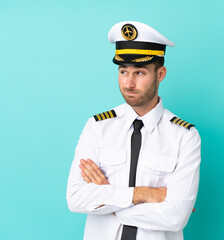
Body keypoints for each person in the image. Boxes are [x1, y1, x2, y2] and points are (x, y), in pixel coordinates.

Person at [66, 21, 201, 240]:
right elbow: (76, 198)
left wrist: (108, 200)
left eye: (139, 72)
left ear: (160, 74)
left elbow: (176, 216)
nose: (128, 83)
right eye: (123, 71)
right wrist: (145, 194)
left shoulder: (184, 136)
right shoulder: (98, 127)